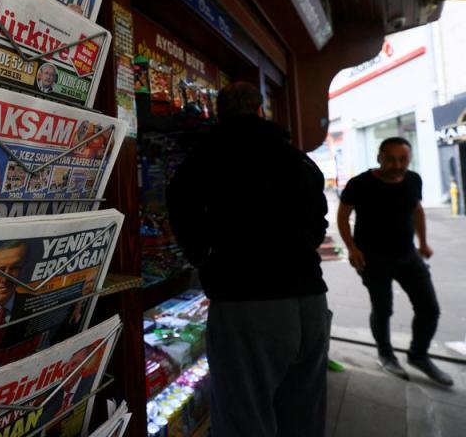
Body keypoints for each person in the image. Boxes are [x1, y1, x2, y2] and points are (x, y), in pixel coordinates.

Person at [167, 82, 330, 437]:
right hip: (311, 301)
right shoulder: (295, 157)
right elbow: (318, 222)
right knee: (304, 416)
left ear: (219, 112)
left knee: (246, 419)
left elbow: (179, 206)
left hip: (248, 305)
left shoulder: (209, 154)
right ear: (260, 110)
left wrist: (203, 259)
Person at [337, 137, 453, 386]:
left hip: (408, 255)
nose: (397, 165)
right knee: (383, 308)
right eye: (391, 159)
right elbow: (343, 215)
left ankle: (418, 355)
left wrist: (423, 242)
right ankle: (386, 355)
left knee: (429, 308)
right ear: (379, 158)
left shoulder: (413, 179)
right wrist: (351, 248)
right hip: (372, 258)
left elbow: (417, 210)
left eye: (403, 159)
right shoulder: (360, 184)